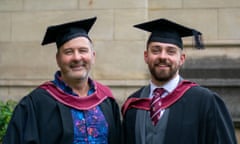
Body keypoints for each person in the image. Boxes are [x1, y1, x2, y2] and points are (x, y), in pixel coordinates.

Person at [3, 16, 122, 144]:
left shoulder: (106, 100)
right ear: (58, 59)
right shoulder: (36, 103)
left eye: (83, 50)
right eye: (69, 52)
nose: (77, 57)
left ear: (93, 56)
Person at [121, 18, 237, 144]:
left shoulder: (205, 101)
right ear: (146, 56)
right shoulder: (134, 104)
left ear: (181, 59)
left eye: (170, 51)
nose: (162, 56)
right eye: (156, 50)